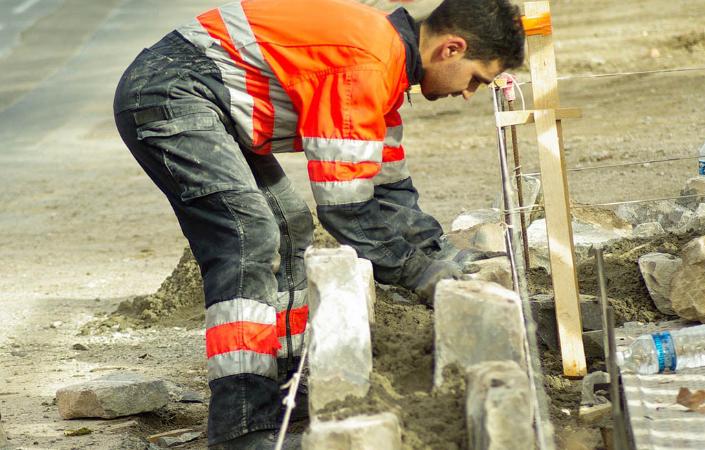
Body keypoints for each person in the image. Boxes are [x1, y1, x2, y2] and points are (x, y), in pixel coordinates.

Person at [113, 0, 524, 447]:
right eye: (476, 80)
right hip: (171, 89)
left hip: (201, 95)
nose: (468, 93)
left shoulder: (384, 67)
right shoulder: (366, 64)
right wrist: (420, 274)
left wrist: (442, 256)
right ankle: (242, 427)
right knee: (249, 235)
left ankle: (284, 390)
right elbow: (347, 209)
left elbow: (389, 190)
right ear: (452, 48)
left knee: (290, 226)